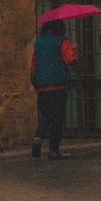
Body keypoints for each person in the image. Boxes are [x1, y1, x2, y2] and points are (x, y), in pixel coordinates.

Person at [29, 16, 78, 158]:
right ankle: (53, 150)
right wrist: (74, 50)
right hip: (58, 87)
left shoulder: (38, 43)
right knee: (57, 118)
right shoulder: (62, 41)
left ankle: (38, 138)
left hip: (43, 88)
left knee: (46, 116)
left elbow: (33, 67)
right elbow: (70, 60)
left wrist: (36, 83)